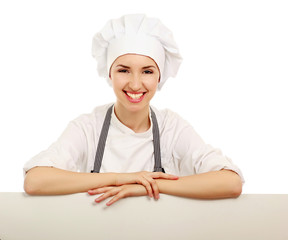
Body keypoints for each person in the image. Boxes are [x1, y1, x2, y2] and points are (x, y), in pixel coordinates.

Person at [23, 14, 244, 206]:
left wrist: (148, 185)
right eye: (124, 70)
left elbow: (231, 183)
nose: (136, 84)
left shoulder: (171, 127)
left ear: (160, 76)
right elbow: (35, 181)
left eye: (147, 71)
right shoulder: (88, 127)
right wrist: (121, 178)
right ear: (109, 73)